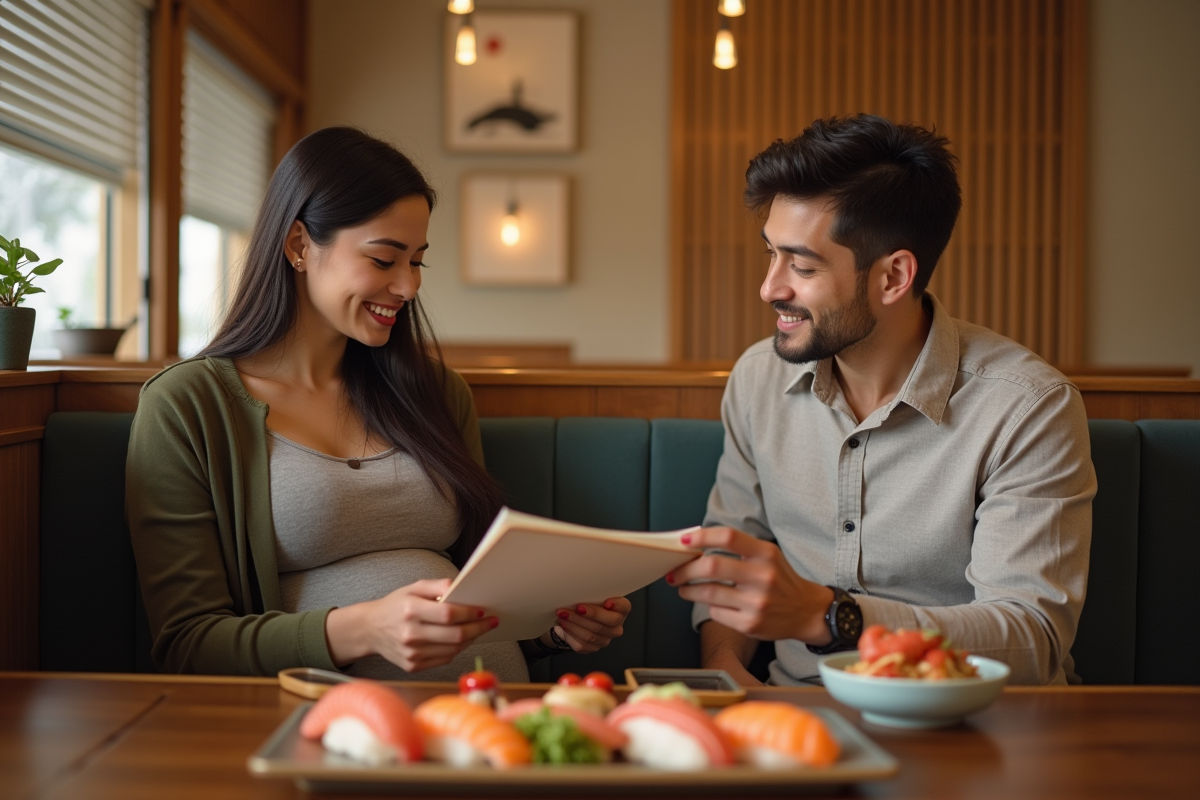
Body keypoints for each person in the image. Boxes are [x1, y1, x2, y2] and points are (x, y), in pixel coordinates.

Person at [126, 127, 630, 679]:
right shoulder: (187, 406)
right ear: (298, 245)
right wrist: (366, 628)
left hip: (490, 715)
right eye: (385, 259)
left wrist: (550, 628)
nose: (409, 286)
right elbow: (188, 643)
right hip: (320, 725)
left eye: (417, 261)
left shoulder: (435, 394)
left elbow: (476, 600)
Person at [668, 114, 1095, 686]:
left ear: (893, 277)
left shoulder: (1027, 407)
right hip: (795, 718)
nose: (770, 287)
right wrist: (723, 668)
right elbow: (733, 564)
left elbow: (1029, 639)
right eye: (770, 254)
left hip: (970, 728)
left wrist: (829, 617)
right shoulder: (757, 380)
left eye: (802, 264)